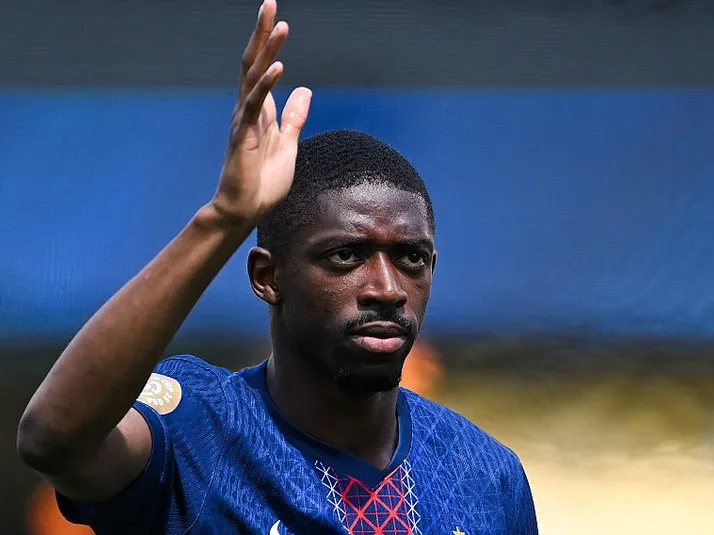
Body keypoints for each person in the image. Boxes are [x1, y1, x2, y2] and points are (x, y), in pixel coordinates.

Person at [16, 1, 538, 533]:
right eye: (345, 256)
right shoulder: (198, 430)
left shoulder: (487, 476)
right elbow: (52, 441)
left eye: (411, 259)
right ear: (267, 277)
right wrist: (224, 218)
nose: (387, 288)